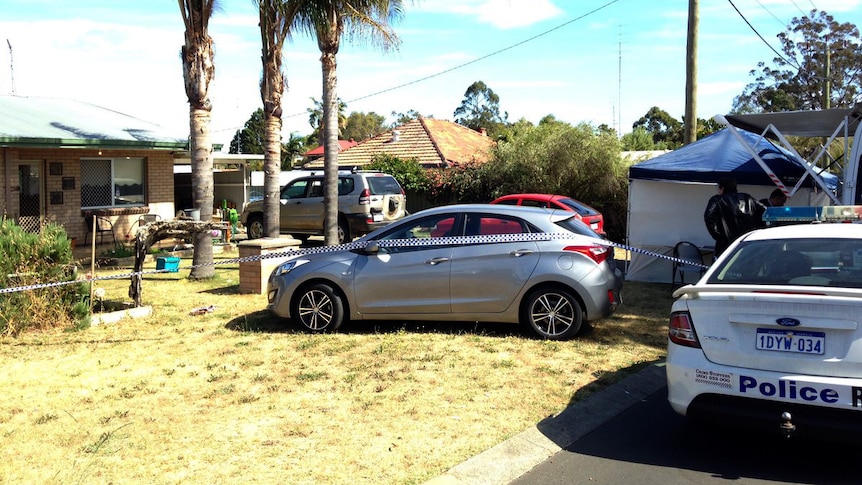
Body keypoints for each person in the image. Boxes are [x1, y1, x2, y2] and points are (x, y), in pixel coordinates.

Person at [704, 177, 766, 257]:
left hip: (726, 244)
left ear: (722, 188)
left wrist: (719, 237)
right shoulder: (747, 198)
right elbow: (765, 211)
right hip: (748, 242)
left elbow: (708, 216)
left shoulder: (717, 200)